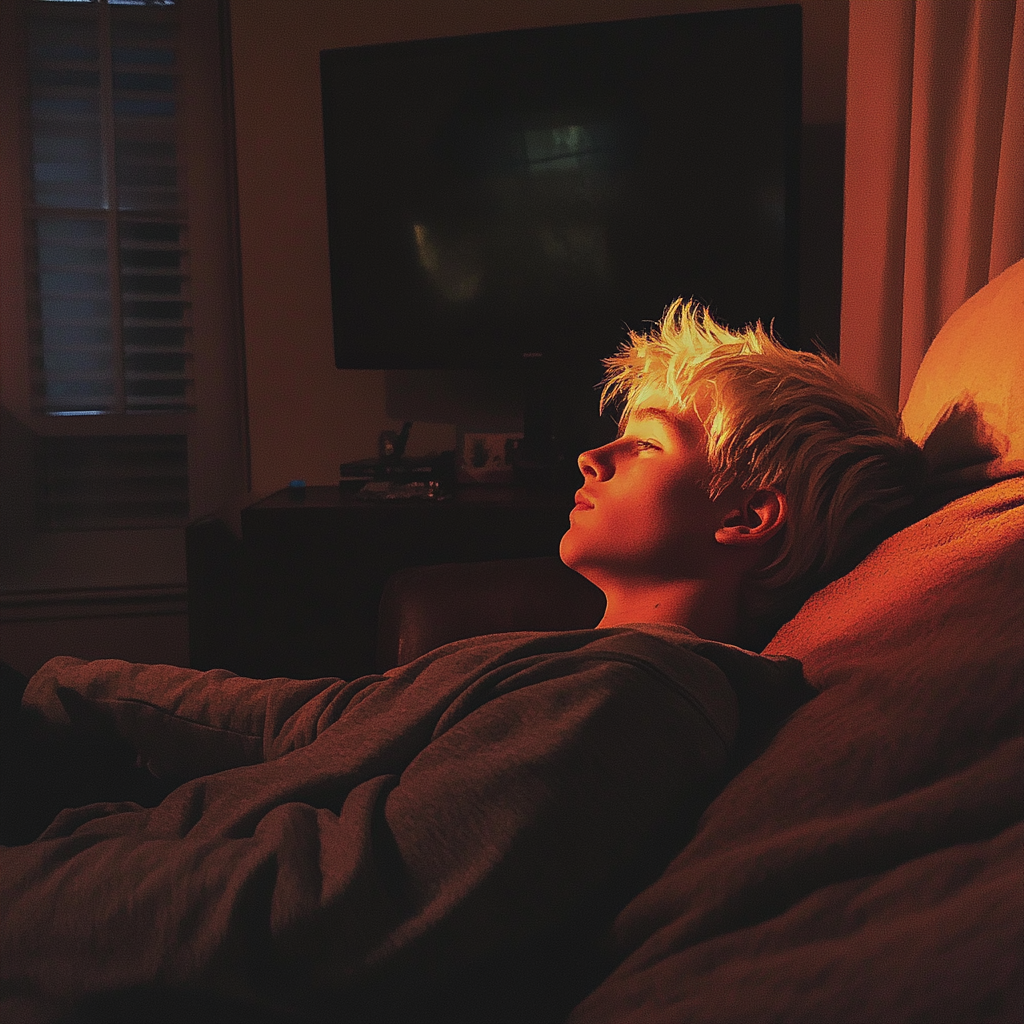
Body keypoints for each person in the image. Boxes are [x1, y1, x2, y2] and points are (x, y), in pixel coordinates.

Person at [0, 302, 925, 1024]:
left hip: (101, 899)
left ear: (747, 519)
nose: (592, 455)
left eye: (643, 443)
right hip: (107, 836)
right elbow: (310, 720)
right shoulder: (575, 665)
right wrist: (66, 684)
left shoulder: (630, 703)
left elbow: (329, 908)